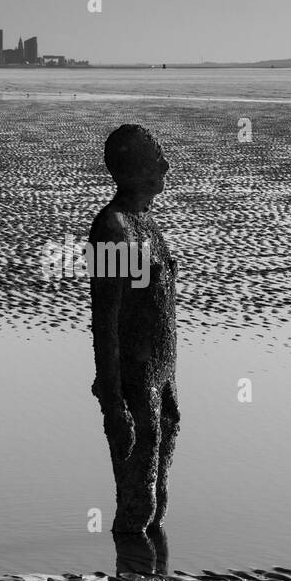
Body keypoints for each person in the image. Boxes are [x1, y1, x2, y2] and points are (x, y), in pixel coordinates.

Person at [89, 124, 179, 535]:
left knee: (158, 501)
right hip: (134, 383)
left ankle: (152, 577)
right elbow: (104, 319)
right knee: (136, 502)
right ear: (130, 169)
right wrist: (112, 399)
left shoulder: (147, 225)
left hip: (162, 376)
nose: (165, 164)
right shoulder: (113, 228)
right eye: (153, 157)